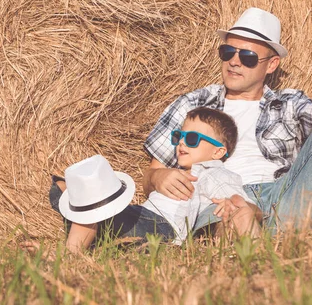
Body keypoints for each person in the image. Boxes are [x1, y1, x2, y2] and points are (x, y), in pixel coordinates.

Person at [143, 7, 312, 233]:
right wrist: (158, 176)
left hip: (283, 197)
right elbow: (151, 174)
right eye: (228, 52)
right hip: (218, 199)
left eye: (248, 57)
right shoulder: (193, 104)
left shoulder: (288, 103)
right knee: (231, 215)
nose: (234, 61)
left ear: (271, 64)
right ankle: (245, 235)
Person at [49, 108, 261, 253]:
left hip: (159, 225)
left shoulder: (212, 172)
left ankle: (71, 253)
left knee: (89, 196)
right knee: (62, 189)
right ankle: (91, 241)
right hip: (146, 220)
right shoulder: (179, 171)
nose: (182, 143)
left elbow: (241, 204)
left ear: (218, 152)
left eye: (193, 139)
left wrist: (232, 204)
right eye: (179, 136)